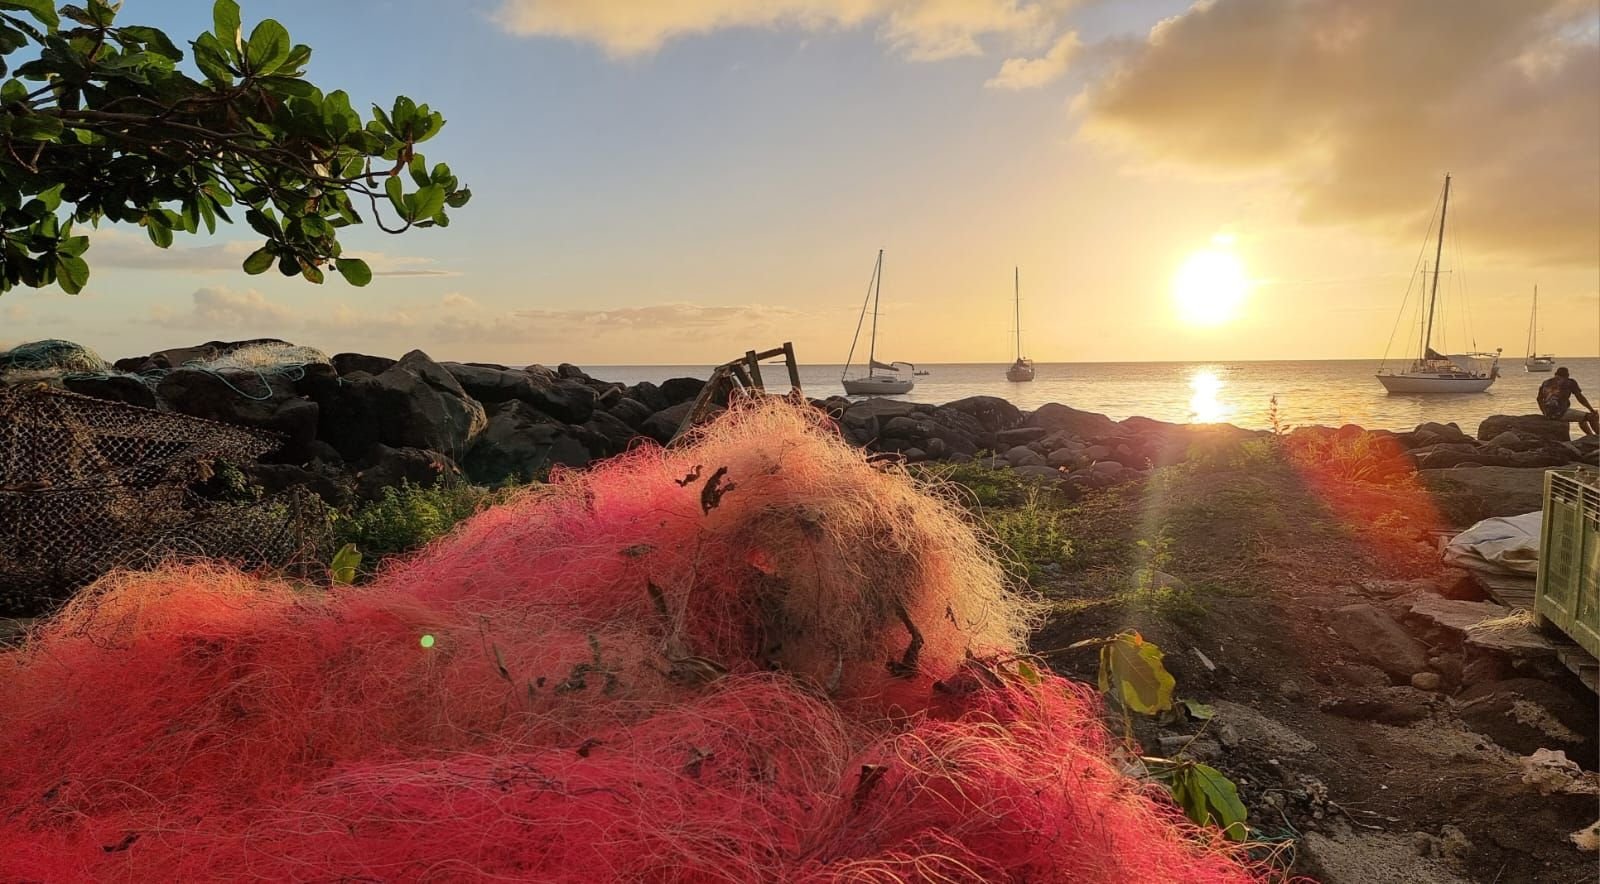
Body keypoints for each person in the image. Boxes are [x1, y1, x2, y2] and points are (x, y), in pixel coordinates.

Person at [1537, 367, 1598, 437]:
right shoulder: (1569, 382)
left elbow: (1539, 399)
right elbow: (1580, 398)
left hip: (1548, 413)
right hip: (1561, 413)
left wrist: (1544, 412)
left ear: (1556, 374)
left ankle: (1591, 437)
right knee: (1592, 417)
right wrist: (1592, 410)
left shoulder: (1546, 382)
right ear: (1567, 375)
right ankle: (1597, 438)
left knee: (1582, 418)